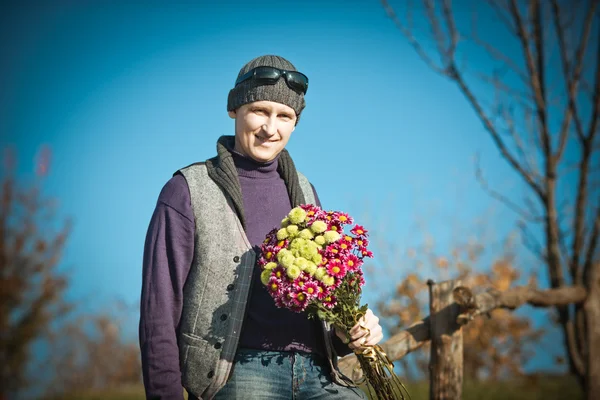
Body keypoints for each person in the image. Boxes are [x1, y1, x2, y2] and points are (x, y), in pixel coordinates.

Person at [139, 55, 384, 400]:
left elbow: (320, 301)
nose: (271, 128)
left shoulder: (306, 191)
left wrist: (350, 331)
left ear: (295, 122)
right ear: (234, 109)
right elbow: (159, 311)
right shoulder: (187, 189)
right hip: (238, 374)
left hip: (320, 372)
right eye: (259, 111)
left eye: (284, 116)